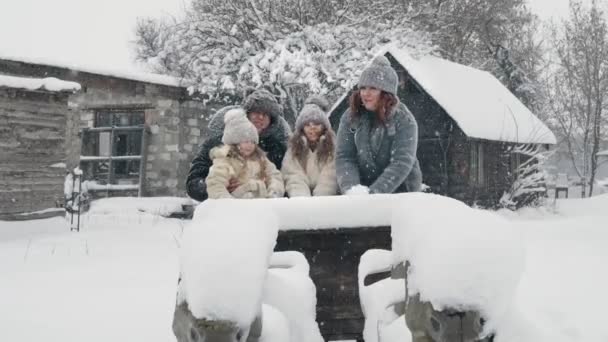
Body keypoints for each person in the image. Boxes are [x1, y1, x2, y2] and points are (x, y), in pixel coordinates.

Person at [335, 55, 422, 194]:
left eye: (373, 88)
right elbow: (344, 157)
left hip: (401, 191)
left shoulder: (404, 120)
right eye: (363, 88)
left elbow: (401, 162)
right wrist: (352, 191)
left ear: (386, 93)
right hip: (361, 190)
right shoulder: (350, 117)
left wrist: (374, 194)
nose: (366, 93)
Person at [186, 89, 290, 201]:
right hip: (227, 210)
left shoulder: (277, 148)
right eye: (256, 112)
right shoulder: (219, 143)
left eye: (266, 114)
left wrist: (270, 191)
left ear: (272, 120)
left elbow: (287, 181)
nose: (261, 117)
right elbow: (194, 183)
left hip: (263, 209)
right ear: (247, 114)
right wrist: (219, 188)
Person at [205, 108, 284, 199]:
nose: (249, 145)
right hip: (237, 207)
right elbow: (216, 182)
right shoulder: (226, 159)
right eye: (245, 141)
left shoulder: (261, 159)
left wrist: (274, 192)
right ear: (235, 142)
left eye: (252, 142)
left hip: (261, 206)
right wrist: (227, 201)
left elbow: (274, 176)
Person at [281, 95, 338, 197]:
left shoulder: (332, 146)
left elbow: (331, 175)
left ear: (324, 126)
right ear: (302, 128)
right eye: (307, 125)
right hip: (301, 197)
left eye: (316, 124)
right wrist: (301, 197)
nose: (312, 129)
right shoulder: (293, 148)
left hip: (326, 198)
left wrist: (321, 196)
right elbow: (292, 174)